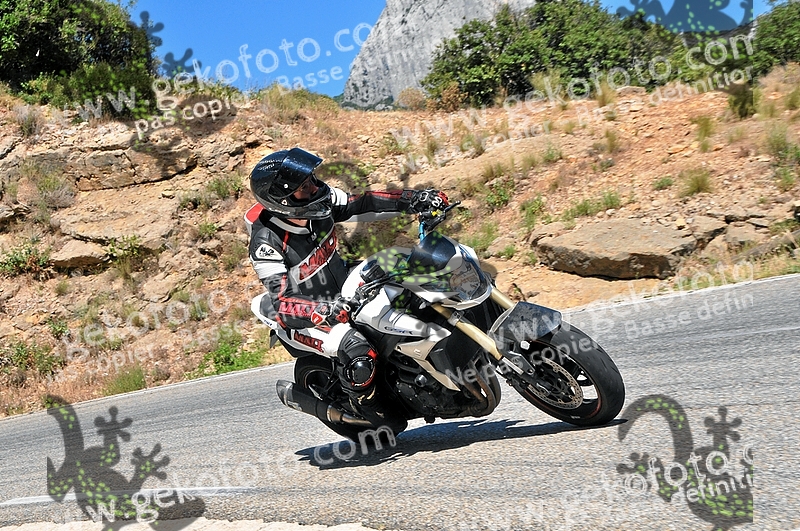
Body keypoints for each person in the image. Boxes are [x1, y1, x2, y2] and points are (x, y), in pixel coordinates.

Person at [245, 147, 449, 434]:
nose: (315, 187)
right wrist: (322, 311)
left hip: (346, 287)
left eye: (312, 179)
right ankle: (370, 410)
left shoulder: (320, 203)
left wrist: (414, 199)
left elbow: (363, 202)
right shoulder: (266, 244)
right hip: (307, 313)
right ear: (283, 200)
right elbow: (281, 303)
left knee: (414, 285)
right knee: (358, 350)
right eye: (304, 187)